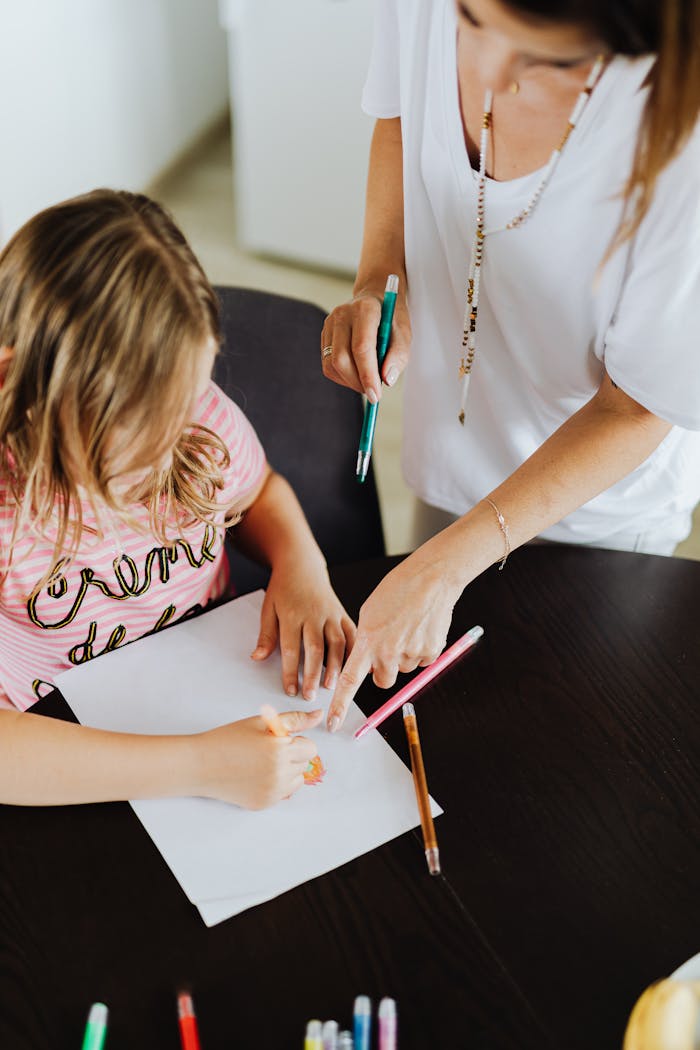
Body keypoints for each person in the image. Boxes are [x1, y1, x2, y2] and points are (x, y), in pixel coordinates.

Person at [322, 0, 700, 731]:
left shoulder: (684, 139)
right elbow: (400, 116)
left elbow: (637, 405)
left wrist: (443, 566)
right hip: (452, 447)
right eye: (468, 17)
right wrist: (378, 274)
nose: (487, 72)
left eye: (550, 60)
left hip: (598, 510)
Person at [0, 189, 355, 808]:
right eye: (142, 430)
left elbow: (258, 491)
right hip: (65, 751)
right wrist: (202, 766)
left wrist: (300, 560)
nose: (174, 449)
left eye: (188, 399)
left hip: (205, 688)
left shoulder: (201, 425)